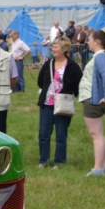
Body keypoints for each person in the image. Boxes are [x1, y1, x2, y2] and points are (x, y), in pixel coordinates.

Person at [37, 37, 81, 168]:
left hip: (63, 106)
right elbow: (40, 81)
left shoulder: (72, 66)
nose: (53, 49)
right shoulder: (48, 64)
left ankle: (59, 161)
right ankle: (43, 160)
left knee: (61, 135)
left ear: (64, 49)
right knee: (43, 134)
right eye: (53, 46)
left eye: (56, 47)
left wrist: (68, 94)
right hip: (46, 105)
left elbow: (78, 85)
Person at [79, 29, 105, 176]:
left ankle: (98, 169)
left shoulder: (100, 57)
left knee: (96, 135)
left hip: (93, 100)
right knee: (100, 134)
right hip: (94, 99)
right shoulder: (101, 56)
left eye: (90, 39)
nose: (88, 42)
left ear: (97, 42)